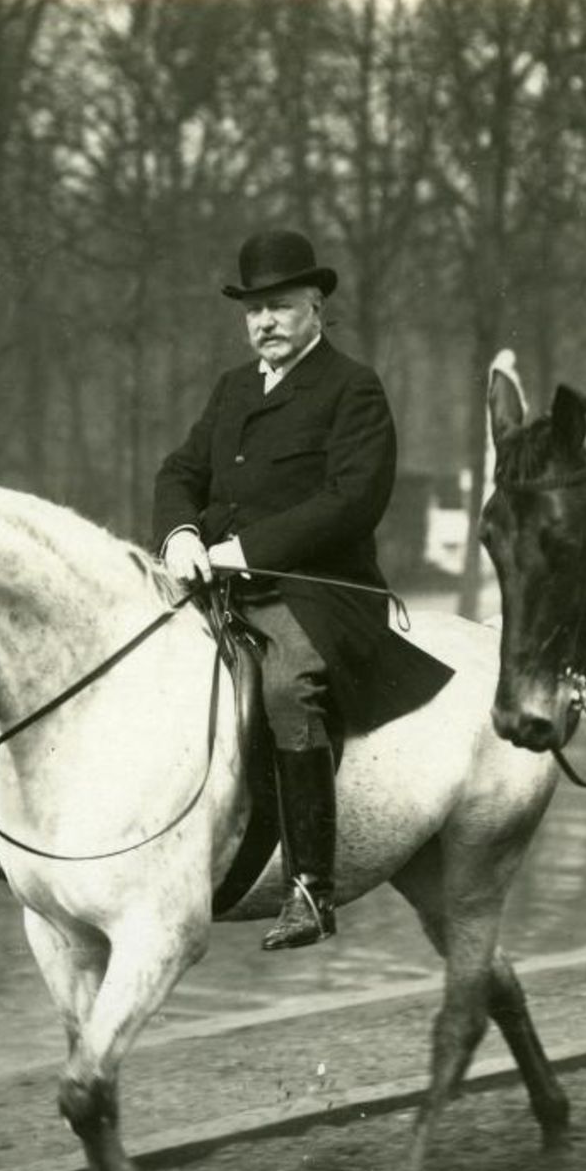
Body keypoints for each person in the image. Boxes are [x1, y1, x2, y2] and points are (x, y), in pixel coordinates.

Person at [152, 228, 403, 951]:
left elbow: (352, 500)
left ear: (316, 307)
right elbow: (179, 471)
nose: (264, 323)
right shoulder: (233, 387)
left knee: (286, 687)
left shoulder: (353, 387)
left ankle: (308, 886)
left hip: (320, 588)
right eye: (253, 310)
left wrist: (245, 551)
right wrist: (180, 535)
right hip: (219, 580)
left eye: (281, 307)